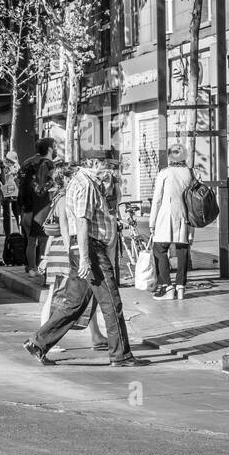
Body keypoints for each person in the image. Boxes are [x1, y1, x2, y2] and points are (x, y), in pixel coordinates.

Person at [24, 148, 141, 367]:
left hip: (84, 250)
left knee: (74, 304)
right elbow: (82, 221)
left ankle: (38, 342)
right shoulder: (86, 184)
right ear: (95, 163)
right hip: (90, 250)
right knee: (111, 302)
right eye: (106, 163)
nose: (109, 168)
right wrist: (86, 258)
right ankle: (121, 355)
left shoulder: (85, 181)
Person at [37, 162, 107, 351]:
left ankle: (96, 335)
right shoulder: (64, 198)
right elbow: (65, 229)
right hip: (65, 250)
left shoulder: (62, 196)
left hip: (65, 249)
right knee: (59, 296)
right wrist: (72, 253)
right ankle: (45, 337)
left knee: (82, 294)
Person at [149, 144, 195, 300]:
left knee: (159, 249)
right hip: (185, 216)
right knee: (182, 250)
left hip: (165, 215)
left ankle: (168, 288)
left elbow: (157, 200)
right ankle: (181, 287)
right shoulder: (190, 173)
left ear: (170, 157)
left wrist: (152, 222)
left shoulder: (165, 173)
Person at [17, 137, 56, 277]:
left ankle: (31, 268)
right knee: (44, 241)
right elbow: (49, 187)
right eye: (55, 146)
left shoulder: (28, 163)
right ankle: (42, 269)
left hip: (26, 209)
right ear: (50, 149)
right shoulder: (49, 164)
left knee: (31, 241)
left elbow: (19, 180)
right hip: (41, 209)